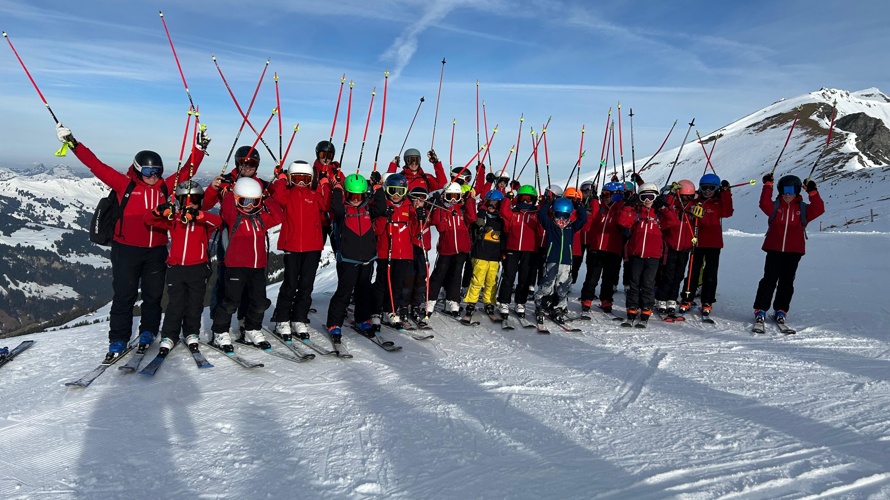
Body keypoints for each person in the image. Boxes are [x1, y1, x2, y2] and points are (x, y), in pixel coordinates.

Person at [55, 122, 209, 358]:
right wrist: (73, 143)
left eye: (157, 171)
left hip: (156, 251)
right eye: (149, 172)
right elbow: (96, 165)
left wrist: (198, 149)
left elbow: (187, 170)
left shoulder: (164, 188)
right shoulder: (123, 184)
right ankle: (118, 339)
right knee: (124, 296)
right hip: (125, 250)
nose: (154, 176)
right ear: (138, 170)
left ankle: (148, 330)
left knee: (153, 296)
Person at [144, 181, 221, 354]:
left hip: (198, 268)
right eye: (185, 199)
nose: (190, 203)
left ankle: (191, 333)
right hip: (176, 268)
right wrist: (159, 210)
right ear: (178, 201)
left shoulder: (203, 220)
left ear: (200, 200)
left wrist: (198, 215)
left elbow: (218, 221)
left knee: (195, 304)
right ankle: (169, 335)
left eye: (194, 199)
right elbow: (148, 220)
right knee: (175, 304)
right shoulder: (174, 219)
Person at [210, 177, 284, 353]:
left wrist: (266, 198)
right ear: (237, 199)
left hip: (257, 267)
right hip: (235, 267)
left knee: (259, 302)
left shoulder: (260, 219)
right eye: (245, 201)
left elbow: (278, 216)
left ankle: (252, 329)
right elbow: (227, 204)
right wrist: (229, 191)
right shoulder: (233, 216)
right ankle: (220, 332)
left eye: (254, 202)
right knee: (231, 302)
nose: (250, 205)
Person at [203, 145, 269, 322]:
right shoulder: (227, 180)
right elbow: (206, 205)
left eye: (252, 164)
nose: (247, 167)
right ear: (237, 163)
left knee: (249, 282)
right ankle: (219, 320)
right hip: (229, 237)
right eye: (243, 163)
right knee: (225, 279)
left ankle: (244, 320)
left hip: (252, 238)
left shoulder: (260, 184)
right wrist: (213, 188)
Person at [268, 160, 330, 341]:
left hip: (312, 246)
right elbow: (277, 196)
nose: (301, 183)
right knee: (290, 284)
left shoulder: (314, 195)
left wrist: (325, 184)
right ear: (290, 179)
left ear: (311, 180)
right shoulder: (287, 195)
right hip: (292, 246)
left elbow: (326, 204)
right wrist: (280, 178)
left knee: (306, 285)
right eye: (296, 179)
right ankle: (282, 319)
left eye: (305, 179)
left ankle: (299, 318)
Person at [752, 174, 824, 327]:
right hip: (774, 248)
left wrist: (812, 192)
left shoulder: (803, 209)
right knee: (769, 280)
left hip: (794, 251)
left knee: (787, 281)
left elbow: (819, 209)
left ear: (797, 190)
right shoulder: (776, 206)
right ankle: (761, 309)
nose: (788, 193)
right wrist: (767, 185)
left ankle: (781, 310)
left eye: (791, 190)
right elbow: (764, 203)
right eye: (784, 190)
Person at [326, 174, 377, 344]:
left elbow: (383, 208)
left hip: (367, 259)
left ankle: (362, 319)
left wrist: (377, 187)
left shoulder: (368, 210)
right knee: (344, 292)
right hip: (348, 260)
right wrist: (338, 189)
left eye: (359, 196)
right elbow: (336, 208)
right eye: (351, 196)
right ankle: (334, 323)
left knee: (364, 292)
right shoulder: (343, 212)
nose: (356, 200)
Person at [618, 183, 679, 326]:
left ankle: (646, 309)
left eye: (650, 197)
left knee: (647, 284)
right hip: (636, 254)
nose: (647, 200)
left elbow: (673, 222)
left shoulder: (658, 215)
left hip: (653, 256)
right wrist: (628, 206)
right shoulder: (636, 213)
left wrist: (664, 208)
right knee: (634, 283)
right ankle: (632, 309)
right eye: (643, 197)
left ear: (656, 198)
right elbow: (623, 222)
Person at [679, 173, 734, 317]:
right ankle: (687, 298)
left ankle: (707, 301)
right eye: (704, 188)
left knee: (710, 273)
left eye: (711, 188)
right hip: (696, 242)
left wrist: (726, 193)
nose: (707, 191)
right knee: (693, 272)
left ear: (716, 189)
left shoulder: (718, 203)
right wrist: (692, 212)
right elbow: (684, 210)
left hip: (714, 243)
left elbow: (728, 212)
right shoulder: (696, 202)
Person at [371, 174, 421, 329]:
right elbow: (377, 231)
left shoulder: (409, 207)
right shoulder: (382, 205)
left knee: (397, 284)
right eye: (393, 191)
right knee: (382, 283)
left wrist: (419, 218)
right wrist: (383, 216)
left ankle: (390, 310)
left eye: (400, 191)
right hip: (386, 252)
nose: (397, 195)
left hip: (403, 253)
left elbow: (414, 233)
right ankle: (376, 312)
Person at [534, 196, 588, 324]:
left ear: (569, 215)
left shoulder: (571, 228)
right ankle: (541, 304)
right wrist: (549, 203)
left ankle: (559, 307)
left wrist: (578, 206)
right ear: (554, 214)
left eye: (565, 216)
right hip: (551, 260)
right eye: (559, 215)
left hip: (566, 262)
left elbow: (583, 219)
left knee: (563, 286)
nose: (561, 219)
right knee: (547, 284)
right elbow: (541, 214)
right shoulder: (551, 226)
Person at [427, 182, 477, 316]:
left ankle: (453, 300)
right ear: (445, 196)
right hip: (446, 248)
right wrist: (437, 205)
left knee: (456, 275)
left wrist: (470, 200)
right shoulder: (443, 209)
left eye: (456, 196)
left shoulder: (461, 208)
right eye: (450, 196)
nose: (453, 200)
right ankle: (430, 300)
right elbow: (438, 225)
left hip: (461, 249)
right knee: (439, 274)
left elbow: (472, 218)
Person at [579, 182, 625, 314]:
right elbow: (592, 221)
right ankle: (586, 299)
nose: (604, 197)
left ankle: (606, 300)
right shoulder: (601, 209)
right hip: (597, 247)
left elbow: (623, 222)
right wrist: (593, 201)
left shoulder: (619, 210)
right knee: (592, 276)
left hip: (612, 249)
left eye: (607, 194)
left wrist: (623, 204)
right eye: (603, 194)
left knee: (608, 278)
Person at [655, 180, 698, 319]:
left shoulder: (695, 208)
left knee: (678, 275)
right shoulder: (674, 206)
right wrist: (672, 194)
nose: (686, 200)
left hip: (685, 248)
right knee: (667, 274)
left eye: (689, 197)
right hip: (671, 245)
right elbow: (666, 206)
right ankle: (661, 298)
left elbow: (702, 223)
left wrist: (699, 216)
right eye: (684, 196)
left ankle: (672, 299)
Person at [496, 184, 540, 319]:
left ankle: (520, 303)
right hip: (512, 248)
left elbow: (546, 217)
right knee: (508, 276)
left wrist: (546, 202)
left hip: (529, 250)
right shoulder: (514, 213)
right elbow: (503, 212)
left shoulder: (536, 215)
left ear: (534, 200)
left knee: (524, 278)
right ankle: (504, 302)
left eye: (529, 199)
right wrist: (508, 199)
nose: (526, 202)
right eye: (523, 198)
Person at [462, 190, 506, 318]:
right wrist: (476, 204)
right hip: (480, 254)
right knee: (477, 280)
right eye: (490, 203)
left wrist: (503, 252)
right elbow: (474, 218)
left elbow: (504, 237)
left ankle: (489, 302)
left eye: (495, 204)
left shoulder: (501, 220)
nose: (492, 206)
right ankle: (471, 303)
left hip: (494, 256)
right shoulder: (482, 216)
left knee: (491, 281)